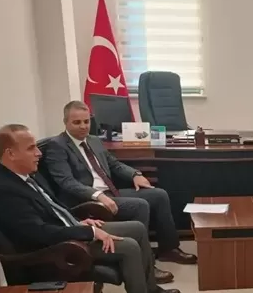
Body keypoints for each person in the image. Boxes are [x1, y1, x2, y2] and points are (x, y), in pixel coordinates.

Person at [0, 124, 181, 293]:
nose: (39, 153)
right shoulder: (3, 189)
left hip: (69, 229)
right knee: (128, 246)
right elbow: (40, 233)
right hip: (55, 249)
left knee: (137, 228)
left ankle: (150, 290)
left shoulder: (25, 175)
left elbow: (53, 209)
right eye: (31, 148)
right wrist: (89, 233)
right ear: (10, 153)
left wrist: (79, 220)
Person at [43, 100, 196, 265]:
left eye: (86, 122)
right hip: (86, 200)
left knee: (159, 195)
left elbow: (114, 164)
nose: (83, 126)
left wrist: (135, 174)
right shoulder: (57, 146)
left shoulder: (93, 140)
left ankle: (169, 249)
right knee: (140, 205)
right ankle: (144, 262)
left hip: (109, 193)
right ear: (65, 122)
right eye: (77, 122)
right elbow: (66, 182)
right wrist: (98, 195)